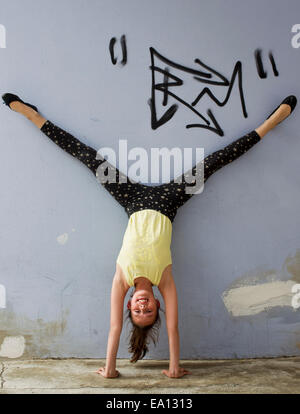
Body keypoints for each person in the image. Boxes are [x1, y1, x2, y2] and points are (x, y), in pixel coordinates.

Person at [2, 92, 297, 378]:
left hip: (131, 200)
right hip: (169, 202)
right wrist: (173, 367)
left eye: (138, 311)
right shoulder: (164, 278)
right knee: (214, 162)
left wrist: (110, 369)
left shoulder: (122, 279)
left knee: (88, 158)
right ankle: (269, 124)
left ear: (130, 304)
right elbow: (173, 329)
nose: (143, 307)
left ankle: (33, 115)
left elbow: (115, 327)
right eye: (149, 311)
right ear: (158, 304)